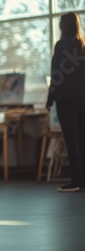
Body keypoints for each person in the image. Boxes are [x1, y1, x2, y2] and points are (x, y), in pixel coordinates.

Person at [45, 12, 85, 192]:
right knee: (83, 140)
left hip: (66, 100)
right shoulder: (82, 45)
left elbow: (57, 76)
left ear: (63, 26)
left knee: (72, 141)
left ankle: (76, 180)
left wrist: (50, 99)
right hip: (83, 99)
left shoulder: (61, 46)